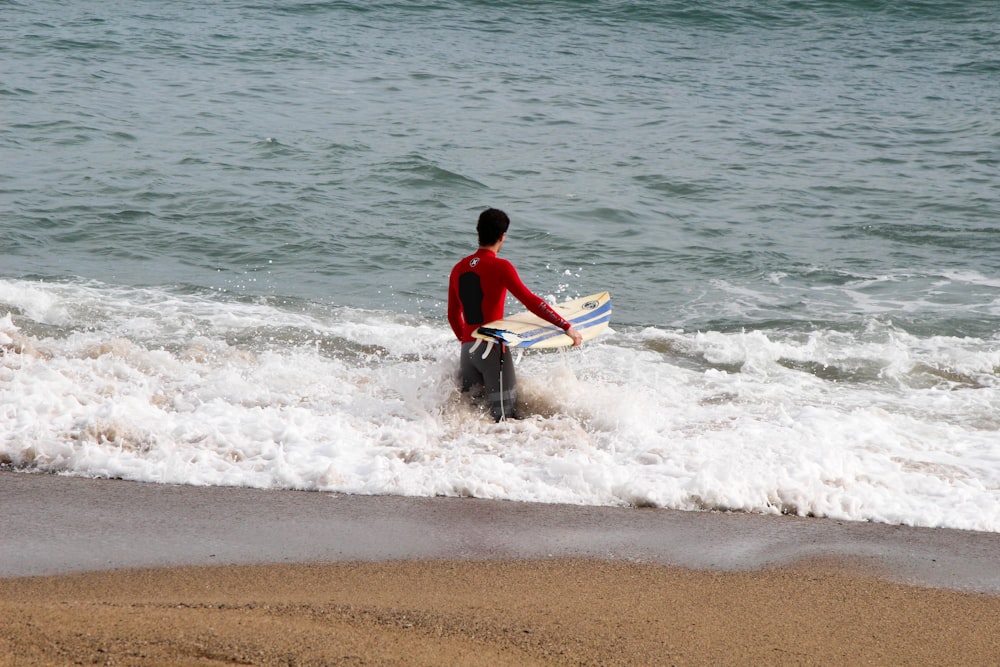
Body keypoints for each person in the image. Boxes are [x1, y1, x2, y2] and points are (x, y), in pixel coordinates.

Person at [448, 208, 583, 421]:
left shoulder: (458, 268)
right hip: (492, 350)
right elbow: (531, 301)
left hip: (467, 352)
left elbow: (453, 316)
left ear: (478, 232)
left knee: (472, 418)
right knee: (505, 418)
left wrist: (467, 342)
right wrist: (567, 327)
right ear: (503, 237)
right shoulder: (501, 266)